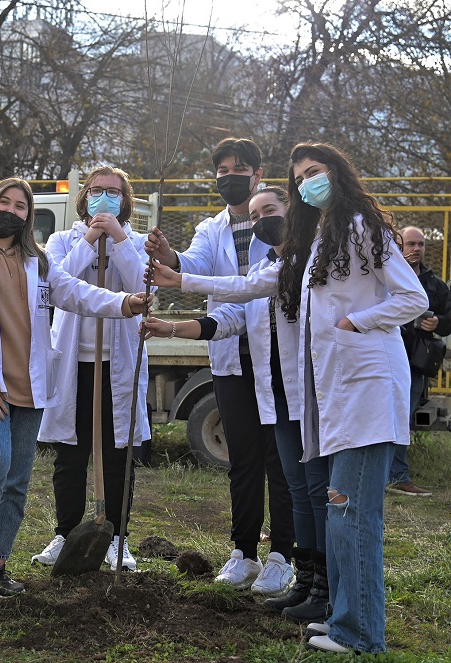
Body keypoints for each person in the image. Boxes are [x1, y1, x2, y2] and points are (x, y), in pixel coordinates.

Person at [154, 143, 427, 653]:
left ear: (337, 174)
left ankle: (359, 632)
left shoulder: (362, 227)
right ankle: (343, 618)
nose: (307, 184)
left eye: (314, 172)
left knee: (352, 516)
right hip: (335, 393)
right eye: (299, 177)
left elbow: (413, 297)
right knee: (339, 512)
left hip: (366, 389)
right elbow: (250, 286)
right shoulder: (318, 240)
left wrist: (356, 322)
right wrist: (181, 279)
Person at [0, 177, 150, 607]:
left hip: (31, 383)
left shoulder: (36, 260)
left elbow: (74, 292)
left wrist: (122, 304)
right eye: (5, 202)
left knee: (18, 478)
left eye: (21, 206)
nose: (12, 211)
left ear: (27, 216)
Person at [146, 186, 331, 621]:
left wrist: (179, 280)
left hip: (309, 388)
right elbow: (230, 315)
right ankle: (305, 580)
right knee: (294, 483)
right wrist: (169, 328)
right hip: (273, 389)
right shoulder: (268, 267)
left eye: (270, 210)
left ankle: (310, 575)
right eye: (256, 215)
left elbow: (242, 288)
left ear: (292, 210)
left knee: (310, 486)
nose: (262, 220)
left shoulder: (309, 261)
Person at [145, 138, 295, 596]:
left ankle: (282, 556)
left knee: (281, 459)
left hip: (278, 356)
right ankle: (244, 552)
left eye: (239, 169)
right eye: (222, 170)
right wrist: (169, 256)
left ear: (257, 173)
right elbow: (193, 265)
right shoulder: (211, 229)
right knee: (242, 457)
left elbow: (253, 286)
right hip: (232, 355)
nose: (230, 176)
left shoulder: (278, 225)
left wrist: (181, 276)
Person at [34, 166, 150, 572]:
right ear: (84, 197)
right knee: (70, 454)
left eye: (113, 192)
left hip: (117, 362)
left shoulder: (135, 242)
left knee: (118, 454)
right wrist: (89, 240)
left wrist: (118, 239)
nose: (104, 197)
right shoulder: (61, 240)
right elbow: (56, 280)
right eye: (96, 190)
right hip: (74, 361)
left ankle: (117, 538)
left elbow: (143, 285)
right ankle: (65, 533)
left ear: (125, 200)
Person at [388, 226, 451, 496]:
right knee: (380, 416)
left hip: (414, 363)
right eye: (411, 244)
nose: (416, 249)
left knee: (402, 416)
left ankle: (397, 476)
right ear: (399, 246)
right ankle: (382, 474)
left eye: (421, 244)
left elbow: (449, 317)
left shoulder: (434, 283)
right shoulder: (385, 274)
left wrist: (439, 322)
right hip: (382, 357)